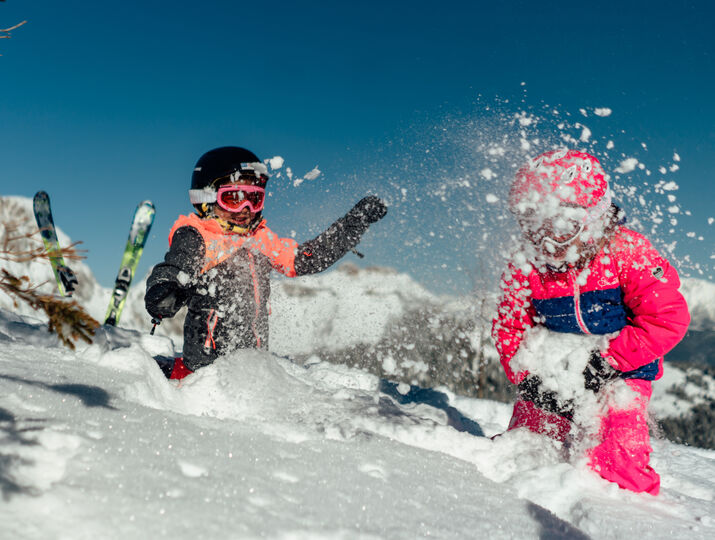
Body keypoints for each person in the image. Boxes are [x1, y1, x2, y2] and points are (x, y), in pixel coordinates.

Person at [491, 149, 690, 495]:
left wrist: (610, 362)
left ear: (595, 219)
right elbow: (510, 325)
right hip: (552, 369)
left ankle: (631, 515)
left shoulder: (628, 252)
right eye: (533, 227)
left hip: (619, 370)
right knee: (527, 446)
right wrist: (528, 376)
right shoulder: (526, 264)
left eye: (563, 228)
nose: (548, 243)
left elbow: (667, 317)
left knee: (615, 457)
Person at [145, 146, 387, 379]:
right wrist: (164, 289)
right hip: (204, 373)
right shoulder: (199, 236)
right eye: (234, 198)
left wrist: (353, 224)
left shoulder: (259, 239)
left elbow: (305, 259)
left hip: (253, 370)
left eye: (254, 198)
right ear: (206, 199)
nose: (246, 209)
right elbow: (175, 267)